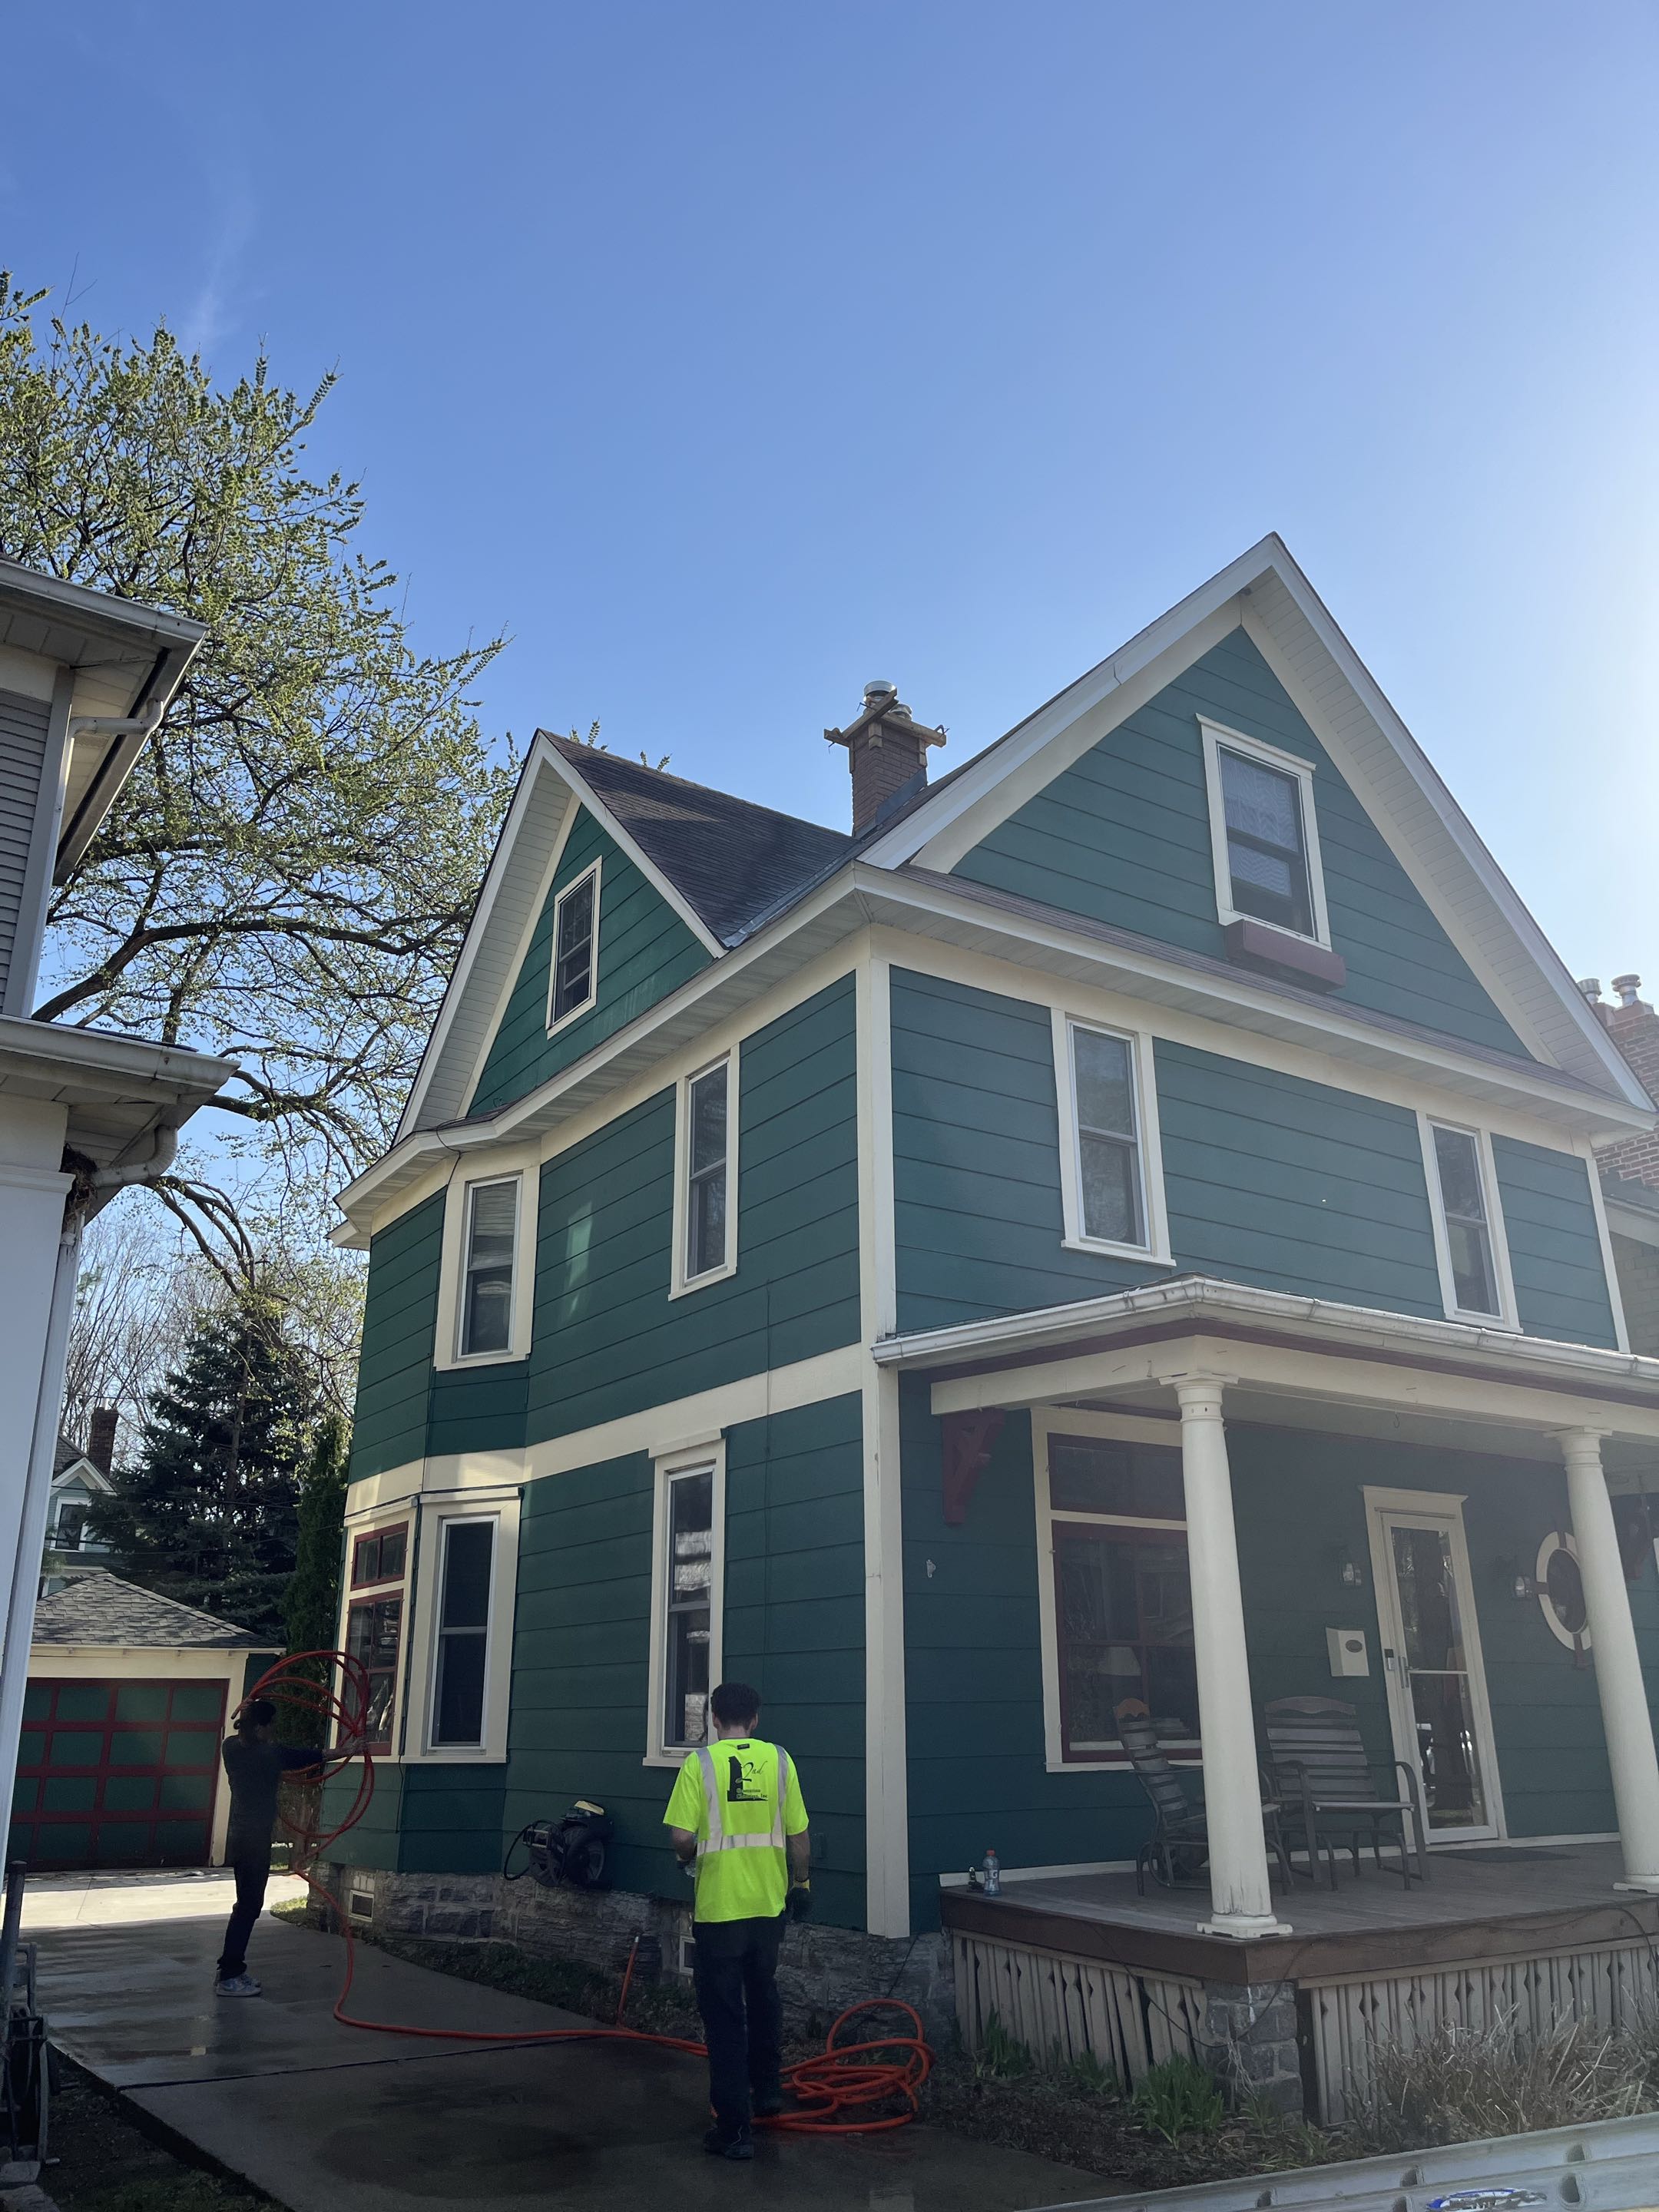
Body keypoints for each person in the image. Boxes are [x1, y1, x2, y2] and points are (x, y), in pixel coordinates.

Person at [664, 1680, 811, 2160]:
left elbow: (680, 1837)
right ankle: (767, 2093)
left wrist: (689, 1854)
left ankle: (734, 2132)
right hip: (768, 1907)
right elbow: (799, 1838)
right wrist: (802, 1884)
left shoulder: (700, 1764)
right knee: (764, 1995)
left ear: (713, 1719)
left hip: (720, 1911)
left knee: (725, 2016)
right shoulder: (781, 1761)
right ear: (755, 1719)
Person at [214, 1697, 323, 1997]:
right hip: (254, 1841)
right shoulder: (268, 1755)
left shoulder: (230, 1747)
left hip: (240, 1837)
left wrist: (246, 1710)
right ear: (260, 1727)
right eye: (271, 1724)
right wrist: (347, 1750)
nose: (274, 1729)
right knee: (249, 1907)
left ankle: (232, 1970)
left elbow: (250, 1737)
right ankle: (229, 1975)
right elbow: (309, 1756)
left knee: (246, 1906)